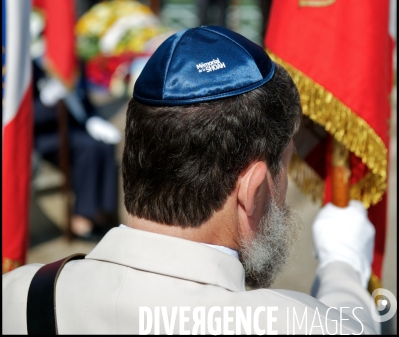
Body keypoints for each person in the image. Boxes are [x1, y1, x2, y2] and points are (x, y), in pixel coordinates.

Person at [3, 27, 379, 334]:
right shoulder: (292, 323)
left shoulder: (19, 295)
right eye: (284, 170)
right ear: (254, 189)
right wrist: (343, 264)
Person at [32, 59, 120, 240]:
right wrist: (48, 104)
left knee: (105, 145)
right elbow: (27, 117)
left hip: (77, 129)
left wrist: (94, 119)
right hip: (48, 135)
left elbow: (85, 99)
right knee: (87, 148)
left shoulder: (73, 61)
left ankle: (103, 213)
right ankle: (82, 217)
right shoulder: (32, 66)